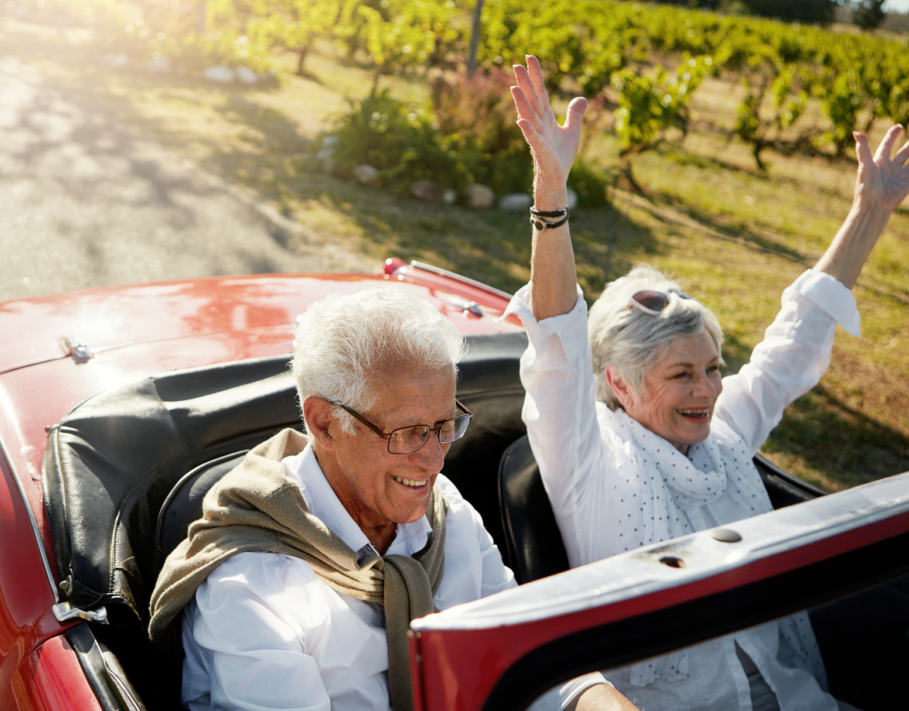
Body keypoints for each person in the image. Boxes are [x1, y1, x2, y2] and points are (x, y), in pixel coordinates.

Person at [507, 54, 909, 711]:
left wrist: (870, 210)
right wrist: (551, 196)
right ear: (620, 383)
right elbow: (555, 348)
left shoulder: (720, 435)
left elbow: (792, 340)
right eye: (682, 375)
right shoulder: (587, 463)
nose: (709, 390)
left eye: (714, 368)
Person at [148, 288, 638, 711]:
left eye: (445, 426)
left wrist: (595, 699)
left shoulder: (445, 513)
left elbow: (529, 651)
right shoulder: (251, 586)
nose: (434, 461)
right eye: (407, 432)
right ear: (323, 423)